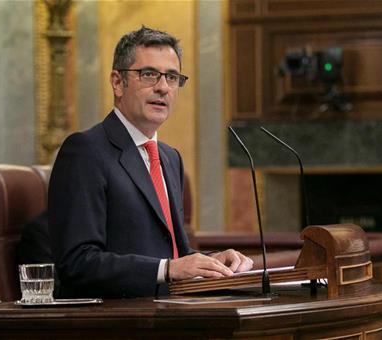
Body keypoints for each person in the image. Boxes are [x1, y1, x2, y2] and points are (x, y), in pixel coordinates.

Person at [49, 26, 253, 298]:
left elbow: (171, 256)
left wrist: (214, 261)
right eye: (149, 75)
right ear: (117, 82)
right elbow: (77, 263)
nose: (163, 87)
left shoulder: (169, 158)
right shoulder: (85, 151)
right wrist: (166, 269)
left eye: (171, 77)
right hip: (114, 322)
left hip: (169, 315)